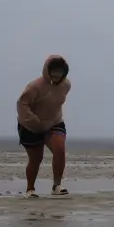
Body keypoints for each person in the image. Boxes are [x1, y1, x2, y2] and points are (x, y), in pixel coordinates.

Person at [16, 55, 73, 197]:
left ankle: (57, 185)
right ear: (47, 71)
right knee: (36, 159)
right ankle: (30, 189)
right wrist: (34, 121)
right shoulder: (35, 86)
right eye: (53, 71)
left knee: (59, 149)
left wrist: (50, 117)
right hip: (30, 125)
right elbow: (22, 104)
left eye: (60, 72)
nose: (56, 75)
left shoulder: (66, 85)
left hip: (54, 122)